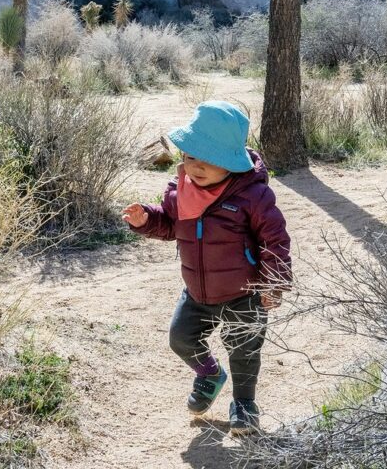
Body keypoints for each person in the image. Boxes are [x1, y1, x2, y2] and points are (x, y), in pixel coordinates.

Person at [122, 100, 291, 436]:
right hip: (198, 292)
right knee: (181, 339)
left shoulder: (252, 196)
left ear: (231, 162)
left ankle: (244, 405)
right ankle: (209, 373)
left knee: (244, 351)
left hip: (246, 294)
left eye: (208, 158)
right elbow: (171, 225)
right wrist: (146, 220)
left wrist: (274, 283)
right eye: (190, 156)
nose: (195, 166)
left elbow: (276, 239)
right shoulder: (180, 191)